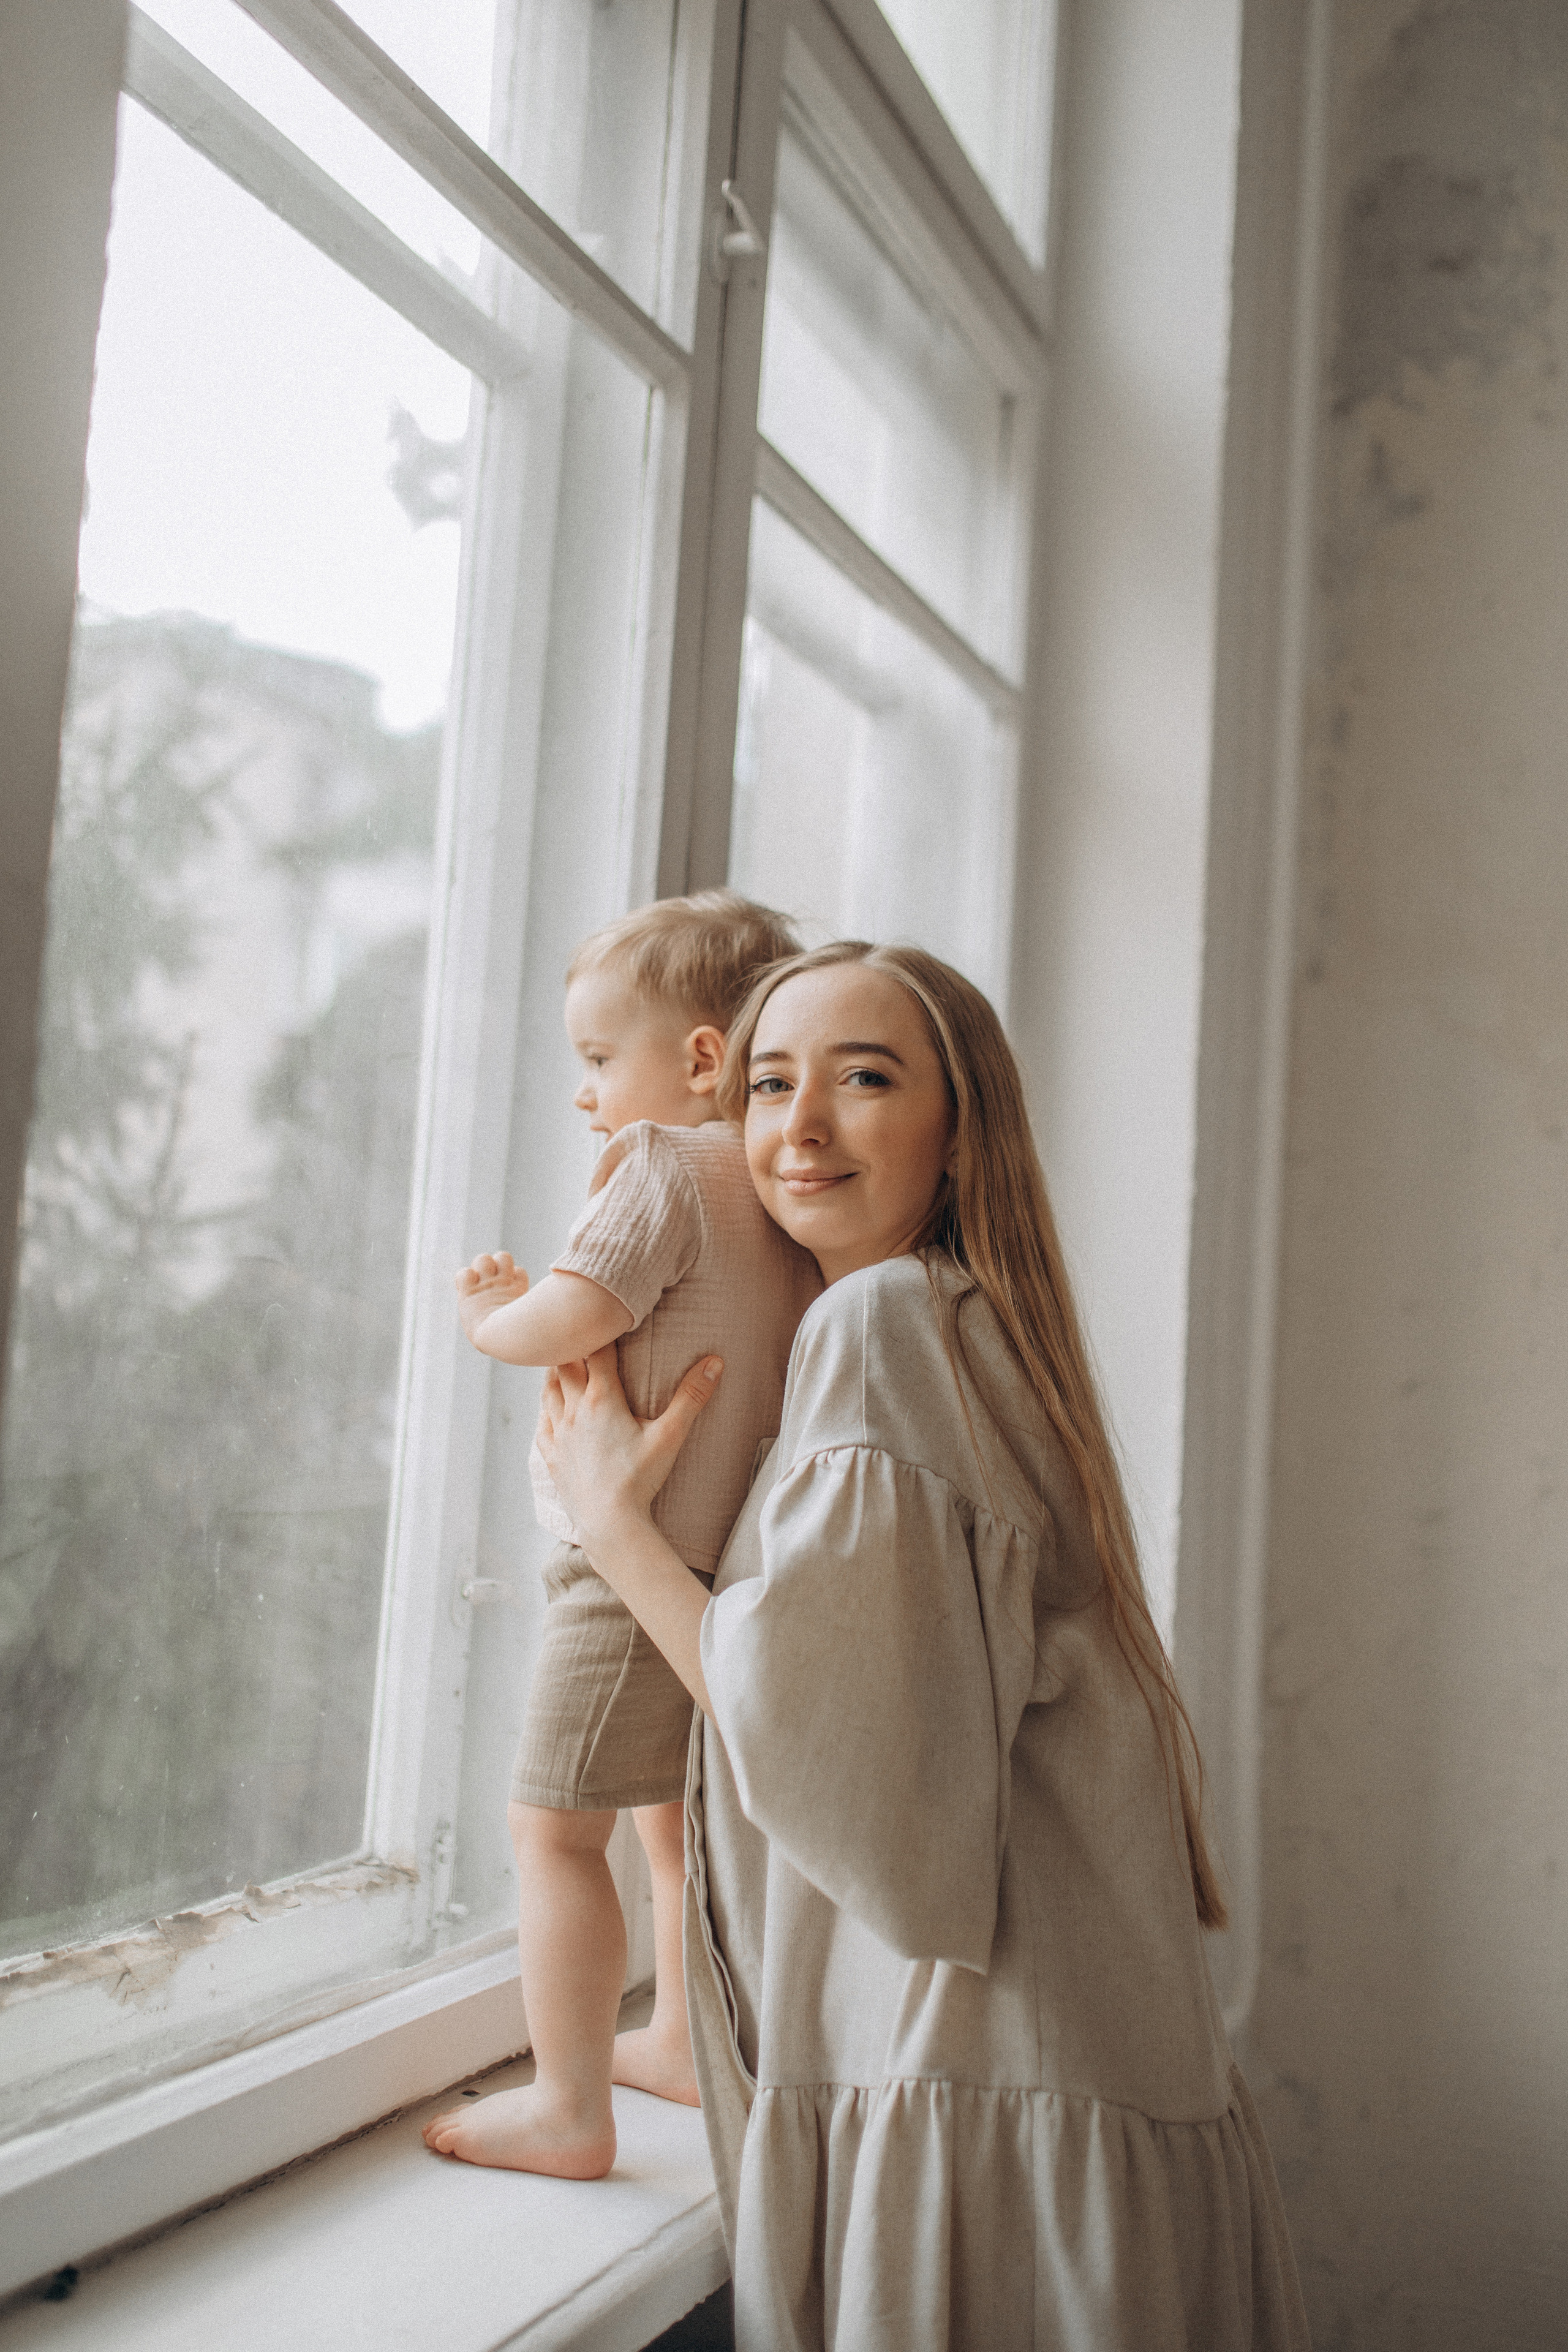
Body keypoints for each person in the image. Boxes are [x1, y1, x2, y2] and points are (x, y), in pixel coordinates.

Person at [533, 941, 1313, 2348]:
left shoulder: (883, 1328)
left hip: (984, 2096)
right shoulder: (976, 1332)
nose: (800, 1127)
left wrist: (611, 1523)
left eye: (863, 1079)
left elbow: (820, 1746)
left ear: (957, 1139)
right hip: (1070, 2092)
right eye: (768, 1084)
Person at [423, 891, 819, 2181]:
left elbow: (571, 1316)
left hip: (620, 1562)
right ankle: (681, 2045)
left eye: (599, 1058)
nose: (586, 1094)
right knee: (666, 1828)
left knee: (550, 1831)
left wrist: (493, 1314)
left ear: (700, 1061)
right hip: (717, 1565)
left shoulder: (662, 1165)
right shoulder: (774, 1200)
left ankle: (567, 2105)